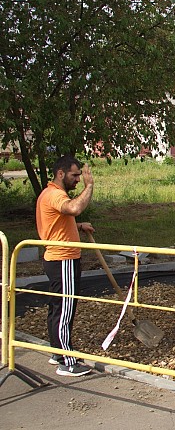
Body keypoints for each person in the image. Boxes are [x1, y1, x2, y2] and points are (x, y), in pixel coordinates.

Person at [36, 155, 95, 377]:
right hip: (63, 258)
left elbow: (58, 221)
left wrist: (78, 226)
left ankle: (57, 352)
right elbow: (73, 208)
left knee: (56, 308)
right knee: (65, 309)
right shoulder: (55, 195)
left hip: (56, 257)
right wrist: (90, 186)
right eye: (75, 175)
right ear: (61, 174)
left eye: (80, 175)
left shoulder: (48, 194)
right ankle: (67, 362)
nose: (78, 179)